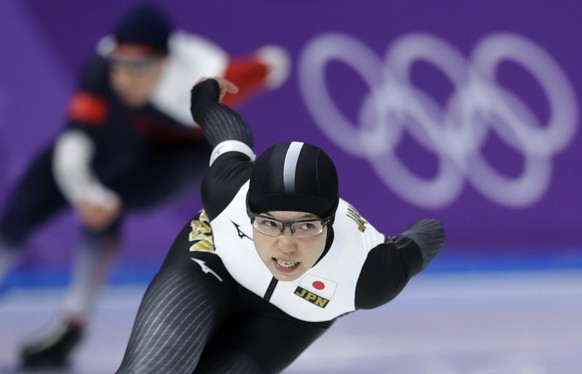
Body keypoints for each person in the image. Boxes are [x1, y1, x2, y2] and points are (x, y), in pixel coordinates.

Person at [0, 4, 290, 369]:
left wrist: (271, 64)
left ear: (166, 63)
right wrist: (87, 194)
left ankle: (74, 319)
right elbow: (75, 141)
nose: (126, 77)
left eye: (140, 67)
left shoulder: (209, 79)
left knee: (113, 203)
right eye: (121, 63)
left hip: (181, 153)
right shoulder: (102, 67)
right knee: (24, 209)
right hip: (127, 135)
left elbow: (270, 65)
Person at [115, 77, 445, 373]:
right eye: (269, 224)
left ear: (329, 223)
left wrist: (395, 246)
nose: (286, 245)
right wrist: (204, 97)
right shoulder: (227, 190)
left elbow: (431, 231)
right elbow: (231, 134)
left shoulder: (369, 273)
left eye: (305, 227)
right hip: (211, 265)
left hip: (286, 321)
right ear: (248, 212)